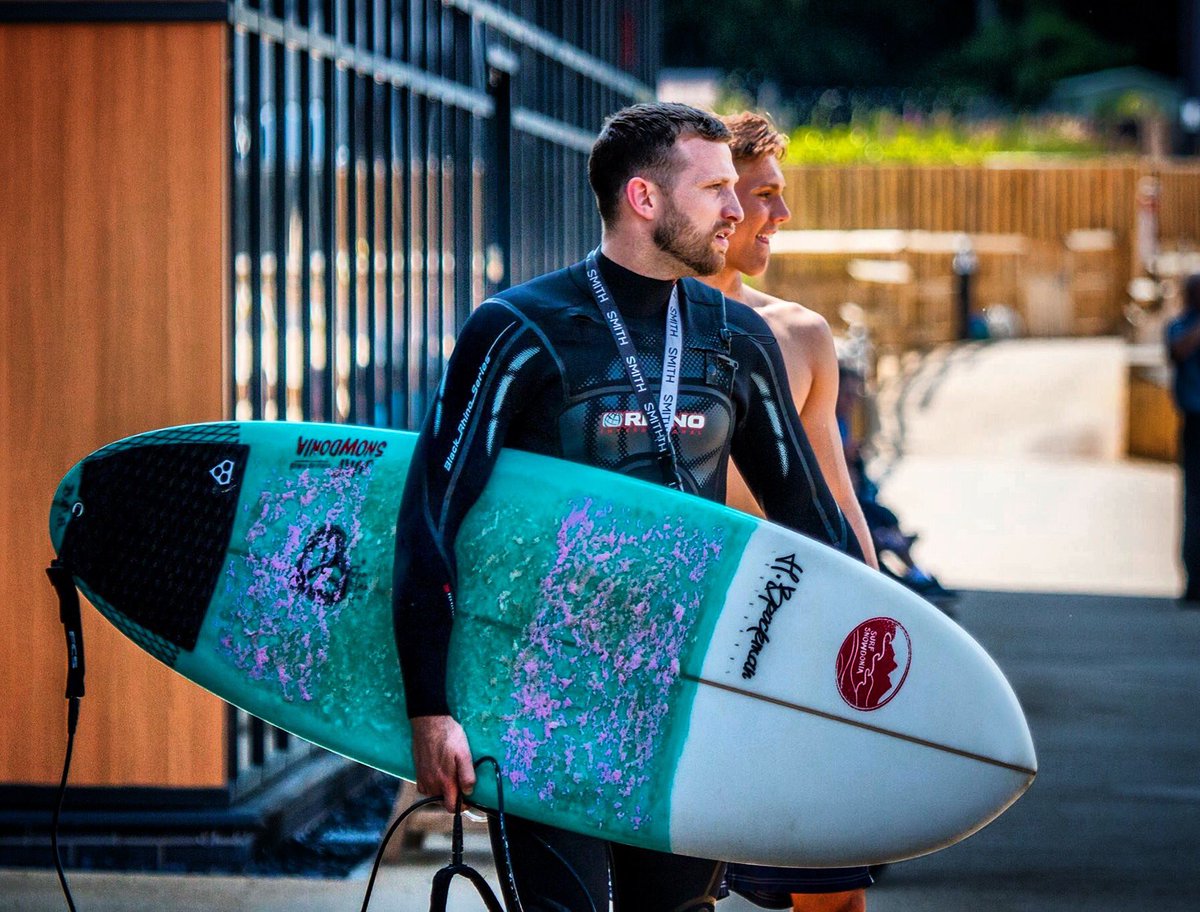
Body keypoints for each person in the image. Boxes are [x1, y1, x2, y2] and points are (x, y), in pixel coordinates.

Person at [391, 102, 863, 911]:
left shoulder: (736, 342)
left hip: (689, 699)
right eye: (715, 188)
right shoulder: (518, 330)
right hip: (540, 700)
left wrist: (860, 669)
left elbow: (811, 521)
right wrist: (432, 710)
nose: (736, 207)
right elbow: (430, 518)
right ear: (645, 200)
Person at [699, 112, 874, 912]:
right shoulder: (626, 338)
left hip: (787, 639)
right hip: (680, 644)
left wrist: (878, 631)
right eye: (765, 195)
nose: (780, 215)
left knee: (829, 894)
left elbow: (836, 500)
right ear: (717, 201)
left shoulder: (801, 336)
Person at [1166, 273, 1200, 606]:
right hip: (1194, 422)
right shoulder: (1180, 326)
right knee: (1193, 504)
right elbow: (1177, 351)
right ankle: (1194, 580)